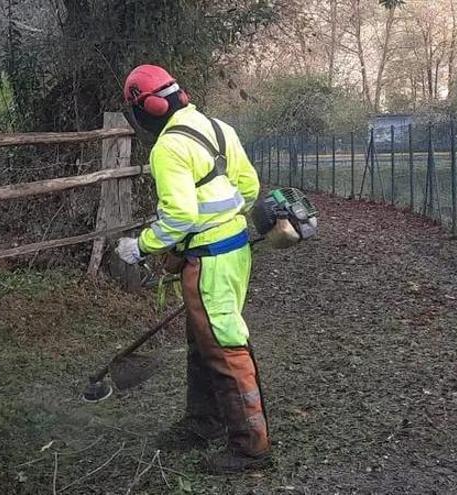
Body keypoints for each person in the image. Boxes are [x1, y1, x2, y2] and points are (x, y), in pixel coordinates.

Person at [114, 64, 270, 473]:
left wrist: (142, 246)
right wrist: (223, 222)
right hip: (235, 252)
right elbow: (249, 187)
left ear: (146, 108)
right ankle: (204, 424)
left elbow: (180, 215)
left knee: (224, 346)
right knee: (205, 341)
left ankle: (250, 446)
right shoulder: (218, 128)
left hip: (209, 259)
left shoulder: (167, 148)